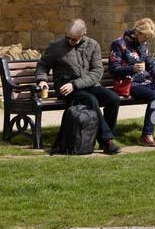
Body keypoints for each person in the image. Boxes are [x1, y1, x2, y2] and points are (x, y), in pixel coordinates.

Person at [36, 19, 121, 155]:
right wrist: (42, 80)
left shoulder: (93, 45)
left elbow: (97, 72)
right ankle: (107, 141)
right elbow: (42, 65)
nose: (70, 41)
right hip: (66, 89)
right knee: (90, 100)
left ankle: (103, 137)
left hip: (87, 85)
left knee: (113, 99)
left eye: (74, 40)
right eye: (68, 38)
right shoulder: (56, 46)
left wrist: (76, 84)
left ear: (84, 33)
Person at [110, 18, 155, 147]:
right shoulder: (119, 44)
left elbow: (152, 66)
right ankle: (146, 134)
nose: (146, 41)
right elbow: (113, 70)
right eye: (145, 38)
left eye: (148, 39)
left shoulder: (143, 46)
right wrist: (132, 68)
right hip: (129, 83)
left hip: (145, 82)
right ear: (137, 32)